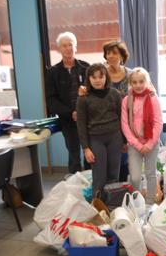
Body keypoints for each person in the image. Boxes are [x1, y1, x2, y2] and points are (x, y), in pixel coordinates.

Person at [45, 32, 89, 174]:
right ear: (59, 49)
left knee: (90, 154)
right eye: (64, 45)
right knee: (74, 156)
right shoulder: (53, 72)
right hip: (68, 120)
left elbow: (94, 94)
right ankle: (75, 187)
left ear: (75, 47)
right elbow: (51, 100)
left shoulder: (86, 68)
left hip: (88, 119)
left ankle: (93, 189)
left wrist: (81, 112)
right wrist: (71, 113)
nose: (68, 48)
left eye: (71, 44)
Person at [77, 63, 123, 196]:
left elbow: (122, 118)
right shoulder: (83, 98)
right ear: (89, 79)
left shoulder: (115, 94)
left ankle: (112, 206)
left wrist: (124, 141)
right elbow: (81, 124)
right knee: (99, 177)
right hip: (95, 140)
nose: (97, 80)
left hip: (115, 138)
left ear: (106, 77)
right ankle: (98, 207)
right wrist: (86, 148)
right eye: (94, 77)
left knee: (114, 175)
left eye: (100, 77)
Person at [121, 68, 163, 205]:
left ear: (147, 82)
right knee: (135, 177)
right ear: (130, 83)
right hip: (134, 145)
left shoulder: (153, 98)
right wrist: (137, 144)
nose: (138, 85)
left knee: (151, 174)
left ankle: (150, 202)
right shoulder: (127, 100)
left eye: (141, 81)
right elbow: (125, 124)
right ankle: (136, 201)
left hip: (152, 143)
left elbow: (158, 122)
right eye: (134, 82)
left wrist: (150, 144)